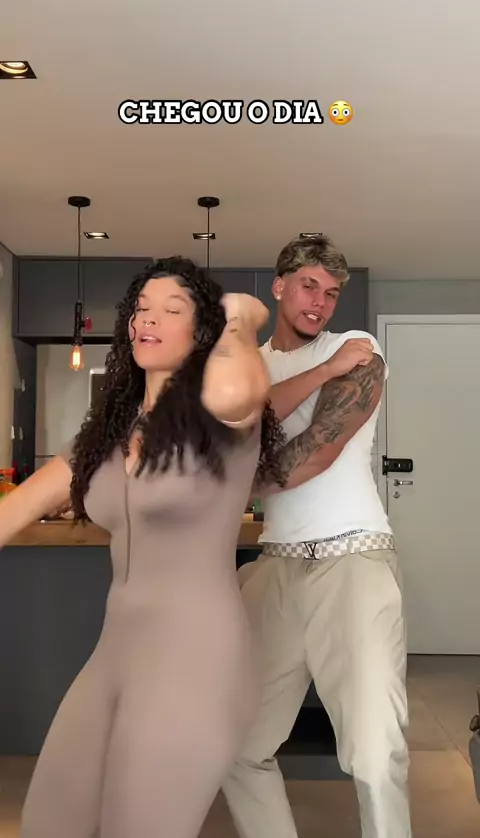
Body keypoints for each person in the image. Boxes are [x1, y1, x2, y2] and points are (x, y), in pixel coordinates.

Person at [0, 257, 287, 838]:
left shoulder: (223, 417)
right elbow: (16, 509)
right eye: (140, 309)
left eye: (171, 310)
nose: (147, 319)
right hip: (115, 654)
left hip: (196, 659)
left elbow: (236, 385)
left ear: (202, 333)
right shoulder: (107, 434)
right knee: (51, 820)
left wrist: (238, 316)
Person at [223, 235, 412, 838]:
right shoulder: (247, 367)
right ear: (279, 286)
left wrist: (230, 476)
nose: (320, 303)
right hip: (274, 567)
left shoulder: (357, 349)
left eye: (331, 293)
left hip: (354, 559)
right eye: (309, 286)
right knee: (237, 745)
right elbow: (227, 433)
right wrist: (229, 461)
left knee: (376, 754)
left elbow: (315, 451)